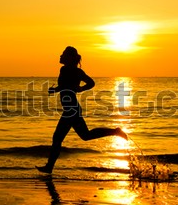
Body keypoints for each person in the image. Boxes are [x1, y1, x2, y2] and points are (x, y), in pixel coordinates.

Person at [36, 46, 127, 174]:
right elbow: (65, 86)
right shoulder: (64, 69)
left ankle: (49, 167)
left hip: (71, 109)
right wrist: (56, 90)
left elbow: (91, 83)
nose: (60, 56)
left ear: (69, 57)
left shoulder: (76, 72)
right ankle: (115, 131)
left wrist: (80, 89)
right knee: (85, 135)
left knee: (58, 137)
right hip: (71, 109)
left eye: (63, 54)